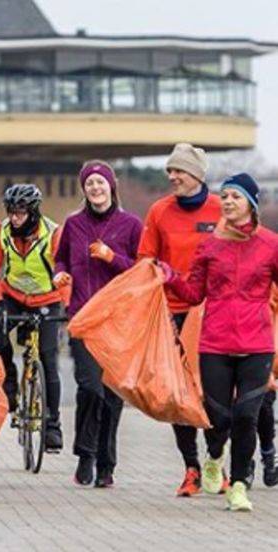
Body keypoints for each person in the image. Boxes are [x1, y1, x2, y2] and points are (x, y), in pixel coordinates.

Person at [161, 173, 278, 511]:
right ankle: (214, 457)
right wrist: (169, 276)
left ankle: (239, 485)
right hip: (215, 342)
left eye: (235, 197)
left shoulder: (271, 244)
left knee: (246, 416)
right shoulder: (210, 245)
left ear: (251, 204)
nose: (227, 202)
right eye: (224, 196)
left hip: (257, 343)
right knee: (219, 417)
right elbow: (194, 293)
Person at [138, 143, 222, 497]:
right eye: (170, 171)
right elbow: (145, 258)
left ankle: (215, 460)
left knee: (214, 392)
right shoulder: (159, 211)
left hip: (212, 311)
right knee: (178, 392)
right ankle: (191, 467)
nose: (172, 177)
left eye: (179, 171)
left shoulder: (221, 208)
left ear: (197, 175)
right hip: (173, 310)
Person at [54, 160, 142, 487]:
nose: (95, 188)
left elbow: (140, 267)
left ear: (111, 186)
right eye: (89, 184)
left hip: (118, 320)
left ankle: (106, 466)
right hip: (83, 316)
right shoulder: (73, 223)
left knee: (111, 394)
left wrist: (111, 257)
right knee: (90, 387)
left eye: (100, 183)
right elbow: (60, 257)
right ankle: (86, 453)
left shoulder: (130, 225)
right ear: (84, 190)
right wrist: (59, 273)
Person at [0, 183, 65, 451]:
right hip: (13, 296)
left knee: (49, 360)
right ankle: (9, 381)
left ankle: (52, 425)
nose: (15, 218)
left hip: (47, 300)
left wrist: (68, 306)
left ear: (33, 212)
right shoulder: (2, 231)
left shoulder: (53, 234)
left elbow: (66, 273)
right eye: (11, 212)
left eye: (21, 213)